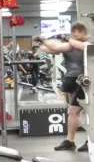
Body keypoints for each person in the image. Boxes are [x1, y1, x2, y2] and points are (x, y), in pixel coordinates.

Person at [36, 23, 90, 151]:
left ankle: (92, 141)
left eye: (76, 33)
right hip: (82, 81)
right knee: (73, 111)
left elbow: (80, 46)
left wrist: (64, 39)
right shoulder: (72, 43)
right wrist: (41, 43)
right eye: (72, 33)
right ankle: (70, 141)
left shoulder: (90, 41)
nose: (74, 36)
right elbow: (53, 48)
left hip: (92, 81)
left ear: (82, 32)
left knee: (91, 112)